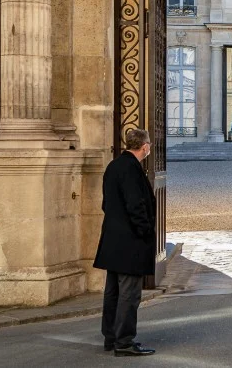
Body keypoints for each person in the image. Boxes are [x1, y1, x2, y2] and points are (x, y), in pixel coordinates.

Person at [93, 127, 157, 357]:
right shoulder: (131, 168)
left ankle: (111, 336)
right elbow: (135, 205)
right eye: (149, 144)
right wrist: (145, 230)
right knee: (129, 294)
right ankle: (125, 341)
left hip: (113, 239)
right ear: (145, 146)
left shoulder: (114, 165)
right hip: (130, 241)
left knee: (113, 292)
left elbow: (106, 203)